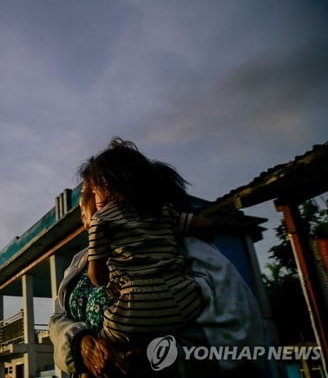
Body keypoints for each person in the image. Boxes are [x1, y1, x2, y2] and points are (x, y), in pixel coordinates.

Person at [49, 141, 264, 377]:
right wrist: (80, 345)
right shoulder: (80, 261)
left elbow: (240, 347)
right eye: (85, 193)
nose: (84, 204)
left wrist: (150, 359)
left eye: (91, 193)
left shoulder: (195, 256)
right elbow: (58, 318)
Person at [80, 138, 211, 344]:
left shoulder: (102, 220)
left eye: (94, 191)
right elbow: (204, 225)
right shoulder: (163, 211)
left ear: (105, 186)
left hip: (136, 307)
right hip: (184, 301)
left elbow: (97, 276)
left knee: (104, 344)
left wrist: (108, 283)